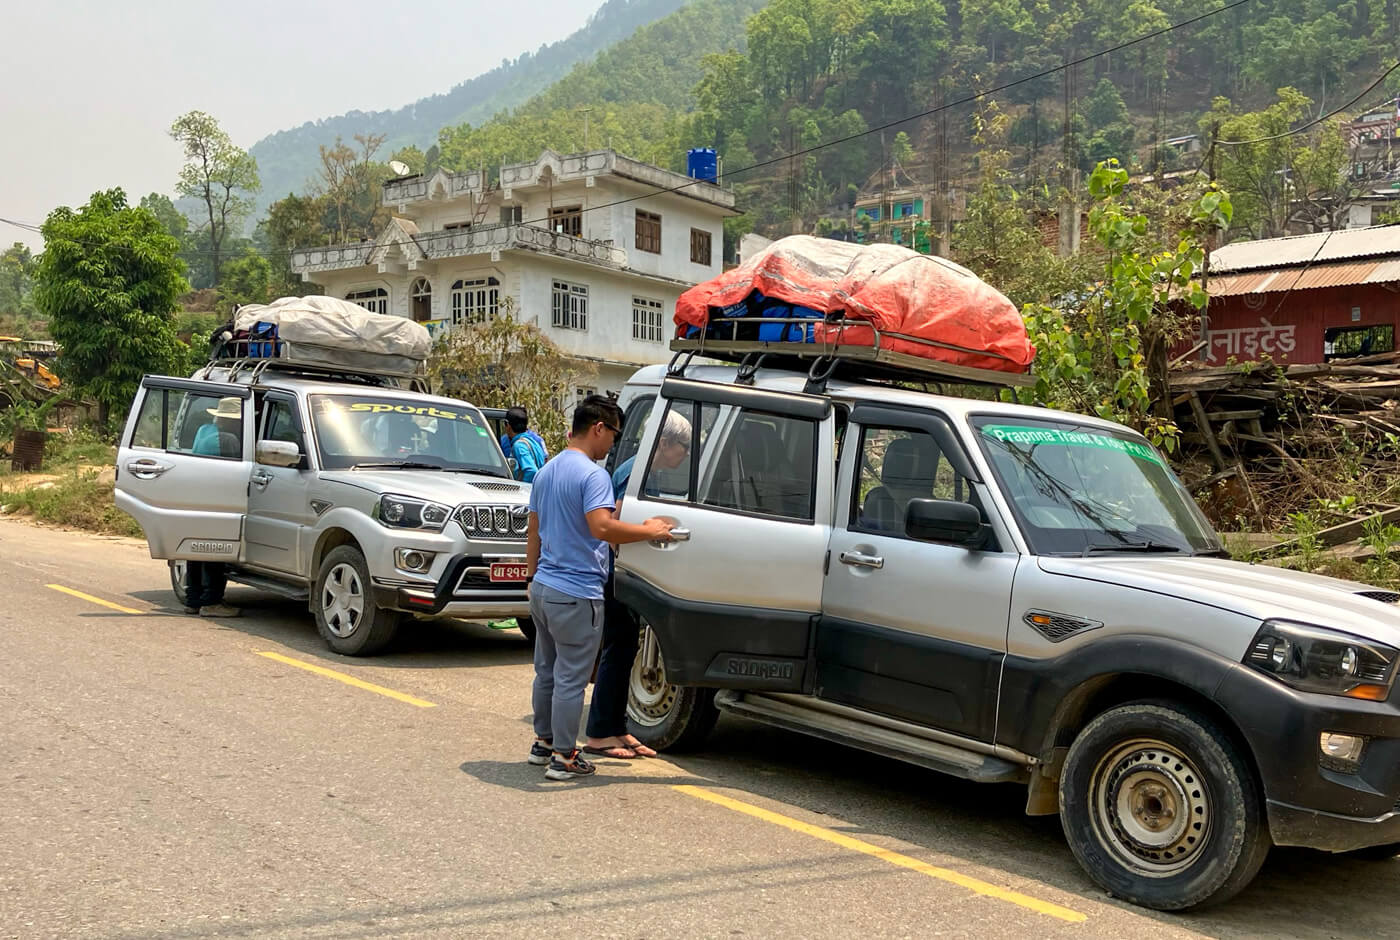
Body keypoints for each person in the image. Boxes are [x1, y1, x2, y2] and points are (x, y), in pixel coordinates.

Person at [525, 395, 674, 780]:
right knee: (571, 677)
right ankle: (564, 757)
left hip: (543, 586)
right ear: (598, 429)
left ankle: (542, 744)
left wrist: (530, 577)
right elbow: (602, 528)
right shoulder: (593, 476)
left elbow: (534, 531)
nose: (613, 444)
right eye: (614, 435)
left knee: (547, 671)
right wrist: (649, 530)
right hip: (576, 591)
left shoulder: (547, 470)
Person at [584, 409, 693, 759]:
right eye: (684, 446)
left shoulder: (648, 472)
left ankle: (617, 729)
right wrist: (651, 530)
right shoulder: (635, 473)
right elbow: (614, 525)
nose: (686, 454)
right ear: (663, 443)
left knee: (626, 649)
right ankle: (601, 731)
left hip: (628, 571)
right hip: (618, 572)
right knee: (618, 651)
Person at [185, 396, 242, 618]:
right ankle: (212, 601)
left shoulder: (204, 430)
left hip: (197, 496)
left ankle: (193, 599)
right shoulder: (229, 440)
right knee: (216, 550)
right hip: (217, 499)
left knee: (195, 551)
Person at [501, 406, 549, 483]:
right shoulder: (534, 441)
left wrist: (522, 487)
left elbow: (531, 471)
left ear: (508, 426)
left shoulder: (519, 446)